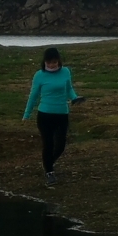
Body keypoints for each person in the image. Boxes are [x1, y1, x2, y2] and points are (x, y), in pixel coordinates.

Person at [22, 47, 81, 185]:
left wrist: (75, 98)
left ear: (58, 60)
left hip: (62, 114)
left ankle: (48, 163)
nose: (51, 65)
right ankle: (49, 172)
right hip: (45, 115)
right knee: (48, 144)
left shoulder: (66, 72)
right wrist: (27, 114)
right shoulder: (39, 75)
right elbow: (33, 96)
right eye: (48, 63)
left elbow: (69, 89)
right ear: (45, 62)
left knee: (60, 145)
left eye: (54, 62)